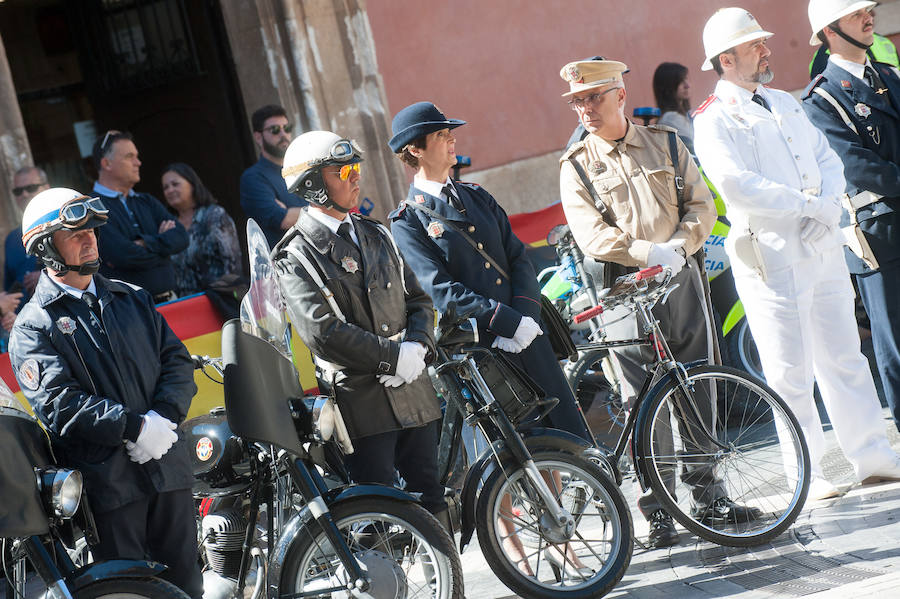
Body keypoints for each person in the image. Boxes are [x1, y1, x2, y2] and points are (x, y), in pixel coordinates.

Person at [692, 7, 900, 502]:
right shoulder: (714, 118)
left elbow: (827, 158)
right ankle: (808, 473)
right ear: (727, 58)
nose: (767, 50)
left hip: (821, 242)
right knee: (790, 371)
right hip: (771, 254)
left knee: (845, 356)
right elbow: (738, 185)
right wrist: (809, 205)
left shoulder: (784, 102)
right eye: (754, 45)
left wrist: (827, 205)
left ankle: (872, 455)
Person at [557, 58, 759, 548]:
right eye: (578, 101)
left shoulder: (666, 142)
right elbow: (591, 235)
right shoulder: (576, 165)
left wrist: (681, 247)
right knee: (640, 400)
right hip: (623, 289)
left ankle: (710, 496)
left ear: (620, 96)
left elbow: (702, 204)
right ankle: (660, 509)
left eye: (594, 97)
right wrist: (648, 252)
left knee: (699, 383)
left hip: (680, 278)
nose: (585, 108)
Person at [388, 102, 593, 575]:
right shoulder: (408, 221)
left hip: (524, 335)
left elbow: (519, 256)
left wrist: (524, 314)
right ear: (415, 151)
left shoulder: (476, 196)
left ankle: (563, 542)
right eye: (441, 135)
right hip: (479, 351)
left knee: (549, 440)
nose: (452, 139)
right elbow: (440, 289)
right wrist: (502, 322)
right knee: (500, 454)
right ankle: (522, 560)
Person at [9, 187, 202, 599]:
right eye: (75, 234)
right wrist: (133, 428)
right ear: (46, 248)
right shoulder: (32, 326)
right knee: (128, 591)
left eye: (91, 231)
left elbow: (177, 363)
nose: (90, 239)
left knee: (187, 585)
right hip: (110, 487)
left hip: (167, 468)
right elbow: (61, 404)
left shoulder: (131, 298)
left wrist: (161, 421)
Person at [271, 131, 451, 532]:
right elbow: (323, 331)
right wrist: (392, 356)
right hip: (360, 403)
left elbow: (418, 300)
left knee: (431, 499)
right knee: (375, 513)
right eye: (345, 170)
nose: (356, 178)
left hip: (412, 389)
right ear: (314, 184)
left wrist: (417, 348)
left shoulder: (376, 232)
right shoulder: (295, 254)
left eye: (357, 168)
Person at [802, 1, 900, 434]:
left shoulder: (888, 77)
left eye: (869, 9)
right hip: (879, 231)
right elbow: (853, 165)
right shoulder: (821, 98)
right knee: (895, 342)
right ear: (829, 30)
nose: (869, 16)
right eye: (857, 12)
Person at [91, 130, 189, 303]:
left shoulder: (147, 201)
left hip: (171, 301)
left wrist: (144, 243)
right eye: (130, 157)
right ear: (107, 163)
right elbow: (122, 256)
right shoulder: (91, 208)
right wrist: (164, 249)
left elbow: (181, 237)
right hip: (130, 310)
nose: (138, 162)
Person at [161, 163, 241, 296]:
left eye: (175, 184)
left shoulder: (214, 216)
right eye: (165, 187)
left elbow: (232, 264)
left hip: (220, 299)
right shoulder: (169, 226)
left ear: (192, 184)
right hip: (186, 304)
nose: (170, 190)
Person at [240, 105, 306, 248]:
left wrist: (295, 212)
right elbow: (283, 220)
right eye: (275, 130)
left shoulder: (304, 168)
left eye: (287, 128)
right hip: (287, 265)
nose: (283, 134)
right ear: (258, 137)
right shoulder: (252, 178)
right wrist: (324, 209)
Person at [2, 166, 44, 332]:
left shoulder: (66, 226)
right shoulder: (12, 239)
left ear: (46, 187)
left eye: (31, 188)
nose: (24, 194)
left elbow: (93, 271)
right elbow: (9, 292)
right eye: (18, 191)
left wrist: (47, 278)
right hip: (27, 331)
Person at [653, 62, 695, 150]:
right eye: (680, 81)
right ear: (667, 86)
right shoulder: (670, 118)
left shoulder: (685, 115)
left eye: (686, 79)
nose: (687, 85)